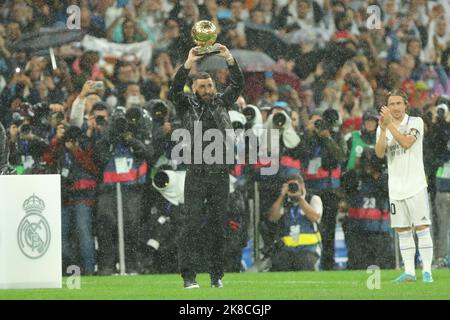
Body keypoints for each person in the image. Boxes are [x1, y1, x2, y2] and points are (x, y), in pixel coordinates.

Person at [168, 44, 244, 289]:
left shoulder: (222, 102)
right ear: (194, 89)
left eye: (210, 85)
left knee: (218, 227)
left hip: (220, 174)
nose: (207, 89)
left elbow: (238, 84)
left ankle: (216, 276)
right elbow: (173, 90)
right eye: (202, 86)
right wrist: (189, 62)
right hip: (196, 174)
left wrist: (230, 60)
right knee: (190, 226)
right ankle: (188, 277)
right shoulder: (186, 104)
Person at [375, 90, 434, 283]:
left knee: (422, 228)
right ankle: (409, 272)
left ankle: (427, 271)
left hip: (416, 185)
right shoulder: (383, 126)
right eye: (391, 104)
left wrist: (389, 125)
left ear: (405, 105)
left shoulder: (415, 122)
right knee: (402, 230)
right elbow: (380, 153)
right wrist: (383, 130)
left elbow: (407, 142)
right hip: (396, 187)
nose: (395, 107)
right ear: (387, 107)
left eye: (399, 103)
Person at [267, 174, 322, 271]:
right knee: (278, 265)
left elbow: (314, 217)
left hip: (309, 249)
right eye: (290, 186)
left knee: (304, 263)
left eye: (295, 185)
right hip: (286, 250)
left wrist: (300, 199)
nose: (293, 188)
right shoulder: (283, 202)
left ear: (302, 185)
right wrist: (281, 196)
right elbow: (273, 218)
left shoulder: (312, 199)